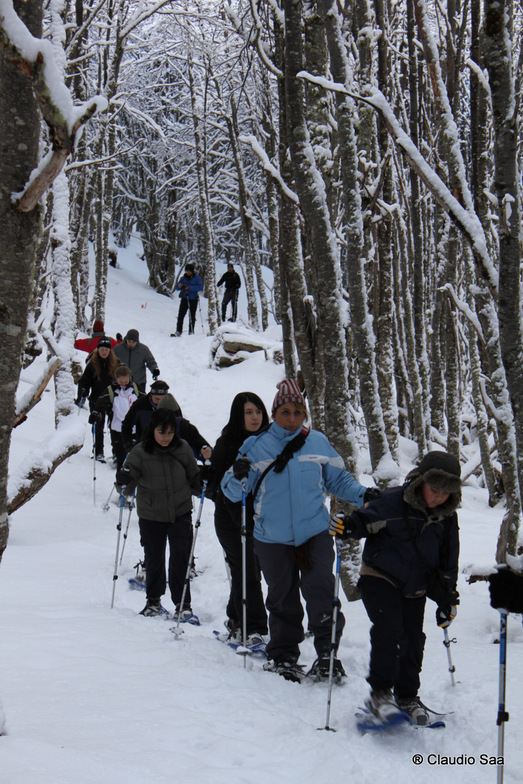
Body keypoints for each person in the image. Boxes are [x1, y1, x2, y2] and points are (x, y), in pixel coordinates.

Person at [221, 378, 373, 683]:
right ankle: (284, 655)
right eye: (286, 412)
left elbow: (338, 481)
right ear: (275, 413)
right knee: (282, 596)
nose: (292, 419)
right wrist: (235, 473)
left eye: (298, 413)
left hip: (314, 533)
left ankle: (327, 654)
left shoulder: (317, 442)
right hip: (272, 538)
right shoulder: (256, 446)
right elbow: (233, 492)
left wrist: (366, 495)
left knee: (320, 590)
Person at [331, 451, 461, 725]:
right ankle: (380, 694)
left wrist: (448, 595)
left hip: (416, 585)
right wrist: (348, 525)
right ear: (421, 482)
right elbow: (364, 521)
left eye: (445, 493)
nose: (438, 497)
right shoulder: (393, 501)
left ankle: (407, 695)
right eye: (434, 489)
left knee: (413, 639)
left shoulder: (447, 518)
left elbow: (449, 557)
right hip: (381, 575)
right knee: (388, 629)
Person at [116, 408, 202, 618]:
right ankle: (153, 601)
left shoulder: (182, 449)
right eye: (161, 432)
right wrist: (123, 479)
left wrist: (207, 481)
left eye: (170, 432)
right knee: (154, 558)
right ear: (152, 430)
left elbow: (195, 479)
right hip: (151, 515)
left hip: (180, 512)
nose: (166, 437)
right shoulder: (140, 452)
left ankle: (183, 604)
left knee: (180, 559)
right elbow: (126, 483)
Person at [206, 392, 269, 648]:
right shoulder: (227, 442)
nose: (255, 417)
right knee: (247, 569)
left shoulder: (270, 442)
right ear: (238, 415)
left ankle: (235, 617)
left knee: (249, 568)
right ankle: (253, 627)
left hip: (260, 517)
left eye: (258, 412)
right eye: (248, 413)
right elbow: (213, 483)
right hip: (229, 517)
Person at [89, 365, 140, 470]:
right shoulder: (111, 390)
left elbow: (145, 401)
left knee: (134, 454)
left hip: (134, 428)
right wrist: (95, 413)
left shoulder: (135, 388)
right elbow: (101, 403)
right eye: (121, 382)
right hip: (117, 427)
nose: (124, 384)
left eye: (126, 381)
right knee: (120, 452)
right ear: (116, 379)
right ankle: (120, 472)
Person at [76, 337, 119, 460]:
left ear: (110, 351)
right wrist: (83, 392)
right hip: (96, 399)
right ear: (98, 350)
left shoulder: (116, 363)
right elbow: (85, 381)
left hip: (112, 399)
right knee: (98, 425)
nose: (104, 352)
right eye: (102, 349)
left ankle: (116, 452)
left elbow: (123, 379)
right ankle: (98, 451)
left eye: (106, 350)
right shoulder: (92, 364)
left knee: (114, 426)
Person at [121, 381, 182, 454]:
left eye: (162, 399)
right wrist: (128, 444)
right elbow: (126, 424)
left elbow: (180, 426)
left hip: (168, 449)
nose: (159, 402)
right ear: (151, 395)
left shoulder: (172, 406)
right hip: (144, 449)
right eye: (157, 399)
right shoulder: (140, 405)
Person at [172, 264, 203, 336]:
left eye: (189, 271)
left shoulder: (197, 278)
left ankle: (191, 331)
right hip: (184, 298)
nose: (188, 272)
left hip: (193, 299)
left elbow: (200, 287)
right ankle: (178, 331)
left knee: (192, 316)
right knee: (181, 315)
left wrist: (190, 288)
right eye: (187, 271)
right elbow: (177, 287)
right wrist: (179, 286)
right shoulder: (183, 278)